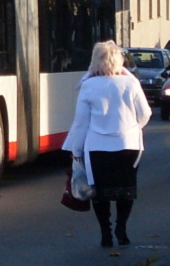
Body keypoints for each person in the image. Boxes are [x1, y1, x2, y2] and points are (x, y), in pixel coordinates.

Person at [62, 40, 151, 248]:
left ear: (95, 60)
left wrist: (75, 151)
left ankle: (106, 233)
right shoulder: (131, 83)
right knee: (126, 189)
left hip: (97, 147)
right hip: (128, 145)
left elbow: (81, 122)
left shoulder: (88, 86)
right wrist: (133, 128)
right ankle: (122, 228)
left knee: (99, 193)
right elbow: (145, 113)